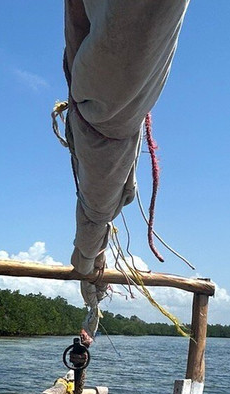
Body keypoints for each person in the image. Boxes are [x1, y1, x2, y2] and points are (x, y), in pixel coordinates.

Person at [63, 0, 190, 343]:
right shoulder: (110, 116)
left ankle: (88, 266)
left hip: (99, 116)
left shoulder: (106, 118)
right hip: (104, 118)